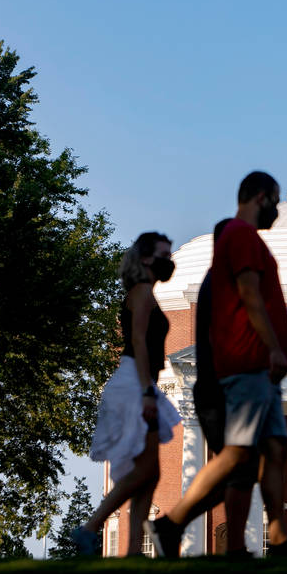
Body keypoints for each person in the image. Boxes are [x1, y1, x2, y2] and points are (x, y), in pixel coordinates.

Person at [146, 171, 287, 557]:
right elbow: (250, 296)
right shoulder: (241, 236)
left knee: (275, 450)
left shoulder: (246, 240)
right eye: (276, 202)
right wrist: (274, 350)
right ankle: (171, 523)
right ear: (260, 197)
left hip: (260, 369)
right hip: (250, 364)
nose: (279, 211)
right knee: (237, 453)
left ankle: (279, 539)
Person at [72, 232, 182, 556]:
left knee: (151, 472)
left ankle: (133, 552)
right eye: (164, 253)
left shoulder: (144, 292)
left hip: (140, 381)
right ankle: (91, 527)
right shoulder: (143, 291)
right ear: (147, 258)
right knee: (144, 470)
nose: (169, 259)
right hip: (136, 382)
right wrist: (148, 391)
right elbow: (137, 341)